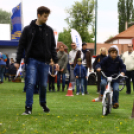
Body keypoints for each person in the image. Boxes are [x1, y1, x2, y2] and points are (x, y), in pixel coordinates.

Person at [14, 6, 59, 115]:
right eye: (44, 16)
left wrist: (56, 61)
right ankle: (28, 107)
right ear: (38, 15)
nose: (46, 18)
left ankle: (43, 103)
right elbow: (21, 46)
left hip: (44, 62)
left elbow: (53, 47)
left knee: (43, 85)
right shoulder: (28, 29)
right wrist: (17, 60)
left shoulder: (49, 30)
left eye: (47, 17)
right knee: (30, 83)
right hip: (32, 60)